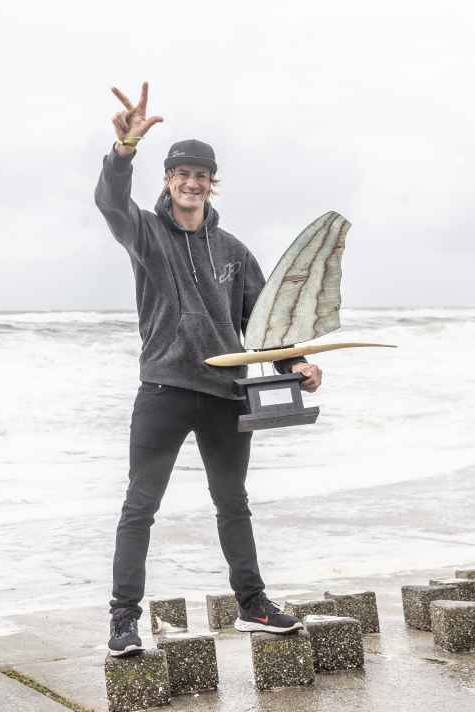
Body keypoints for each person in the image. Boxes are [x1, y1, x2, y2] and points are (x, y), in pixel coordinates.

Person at [95, 82, 324, 656]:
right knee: (139, 507)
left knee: (234, 504)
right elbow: (110, 203)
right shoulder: (145, 235)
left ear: (211, 182)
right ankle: (124, 620)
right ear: (168, 181)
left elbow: (264, 322)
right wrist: (123, 150)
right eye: (181, 174)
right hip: (165, 391)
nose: (191, 182)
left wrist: (296, 359)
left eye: (202, 174)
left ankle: (253, 606)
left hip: (227, 394)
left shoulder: (233, 250)